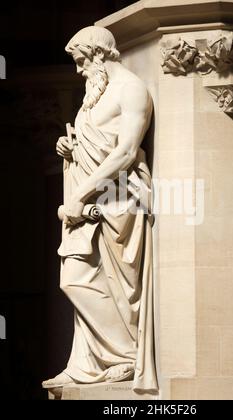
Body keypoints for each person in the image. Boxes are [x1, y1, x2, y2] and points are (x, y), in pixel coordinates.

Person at [42, 26, 158, 393]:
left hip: (118, 199)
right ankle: (88, 362)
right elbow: (94, 142)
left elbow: (124, 152)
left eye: (79, 61)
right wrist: (69, 147)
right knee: (75, 277)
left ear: (99, 53)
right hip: (90, 198)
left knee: (111, 283)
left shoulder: (132, 90)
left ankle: (124, 356)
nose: (77, 70)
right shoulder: (95, 94)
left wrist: (80, 196)